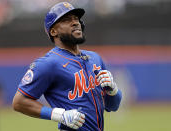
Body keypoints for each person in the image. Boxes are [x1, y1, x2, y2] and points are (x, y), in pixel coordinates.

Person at [12, 2, 122, 131]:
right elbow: (19, 102)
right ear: (53, 31)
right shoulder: (48, 63)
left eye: (76, 19)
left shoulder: (95, 58)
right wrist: (60, 115)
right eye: (66, 20)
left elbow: (112, 106)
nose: (75, 22)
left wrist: (113, 90)